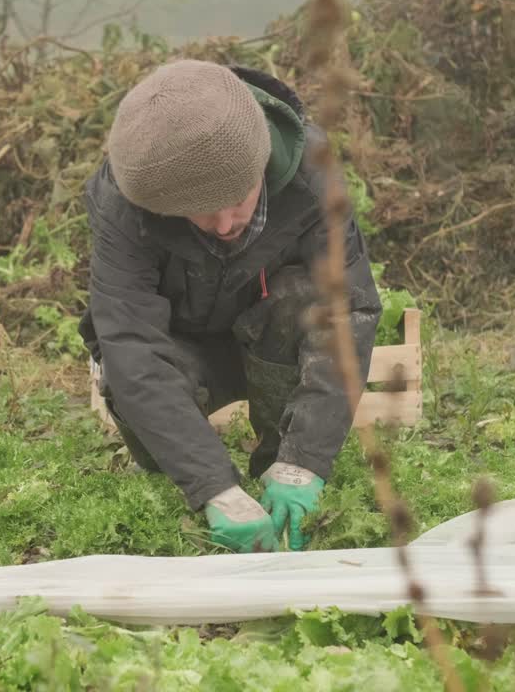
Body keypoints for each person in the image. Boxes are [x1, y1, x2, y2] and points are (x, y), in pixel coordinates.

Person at [78, 59, 381, 553]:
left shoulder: (312, 174)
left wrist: (305, 461)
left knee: (305, 297)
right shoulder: (124, 203)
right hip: (184, 349)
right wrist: (213, 487)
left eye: (238, 199)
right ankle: (209, 473)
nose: (223, 224)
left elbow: (348, 309)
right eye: (199, 211)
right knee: (122, 370)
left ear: (260, 160)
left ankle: (276, 463)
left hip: (271, 341)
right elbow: (130, 341)